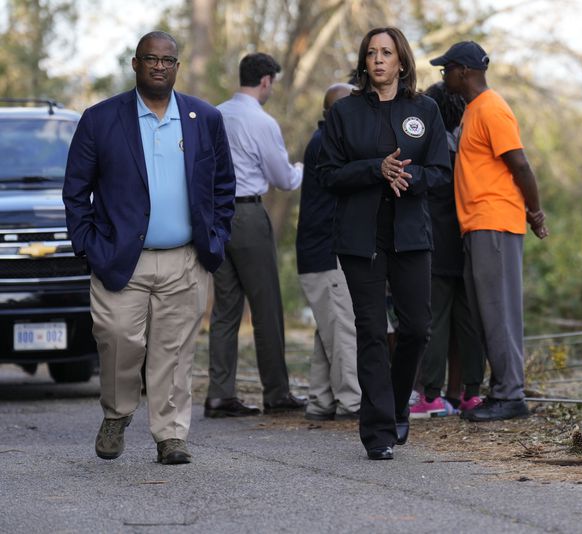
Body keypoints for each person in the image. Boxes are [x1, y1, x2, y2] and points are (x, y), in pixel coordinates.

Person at [62, 31, 236, 464]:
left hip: (185, 259)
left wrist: (213, 241)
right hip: (120, 260)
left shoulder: (204, 118)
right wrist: (88, 246)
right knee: (119, 341)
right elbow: (75, 192)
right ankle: (117, 413)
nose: (159, 66)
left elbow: (222, 187)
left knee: (174, 351)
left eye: (168, 60)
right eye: (150, 59)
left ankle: (170, 435)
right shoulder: (101, 119)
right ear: (136, 64)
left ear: (177, 66)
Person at [317, 27, 450, 460]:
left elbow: (441, 174)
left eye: (386, 53)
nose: (378, 60)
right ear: (364, 61)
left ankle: (395, 407)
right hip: (360, 240)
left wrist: (405, 177)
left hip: (411, 236)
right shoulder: (345, 112)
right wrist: (376, 168)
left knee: (416, 329)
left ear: (401, 61)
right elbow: (329, 175)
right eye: (371, 53)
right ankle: (377, 433)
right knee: (371, 331)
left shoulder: (425, 110)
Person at [431, 41, 549, 422]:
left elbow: (520, 164)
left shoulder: (492, 108)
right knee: (485, 314)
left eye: (445, 68)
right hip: (478, 225)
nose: (442, 75)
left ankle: (511, 395)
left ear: (463, 71)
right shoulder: (473, 110)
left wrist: (535, 212)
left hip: (495, 222)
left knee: (499, 312)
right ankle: (500, 391)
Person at [205, 53, 306, 418]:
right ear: (265, 80)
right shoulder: (261, 122)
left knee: (225, 310)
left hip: (216, 216)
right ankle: (277, 393)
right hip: (247, 214)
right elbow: (282, 179)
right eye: (272, 83)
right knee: (266, 308)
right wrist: (301, 169)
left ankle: (219, 394)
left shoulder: (214, 114)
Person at [410, 82, 485, 419]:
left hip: (437, 244)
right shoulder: (471, 147)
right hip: (470, 241)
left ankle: (431, 395)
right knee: (469, 322)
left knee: (435, 321)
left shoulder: (431, 147)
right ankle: (472, 393)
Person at [296, 83, 360, 421]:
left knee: (329, 328)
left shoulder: (326, 143)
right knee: (344, 328)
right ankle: (353, 402)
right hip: (327, 252)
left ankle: (320, 400)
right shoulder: (328, 147)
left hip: (319, 252)